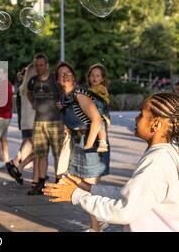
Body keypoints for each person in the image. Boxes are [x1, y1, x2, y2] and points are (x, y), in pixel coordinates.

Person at [43, 92, 179, 232]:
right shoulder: (166, 153)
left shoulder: (157, 161)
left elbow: (124, 211)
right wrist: (88, 187)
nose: (136, 118)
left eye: (141, 114)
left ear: (156, 124)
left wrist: (76, 195)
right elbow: (130, 195)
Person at [54, 62, 110, 232]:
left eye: (68, 73)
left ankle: (96, 227)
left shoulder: (79, 94)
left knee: (88, 189)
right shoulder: (65, 98)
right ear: (57, 80)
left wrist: (87, 145)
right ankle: (99, 221)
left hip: (90, 146)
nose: (65, 76)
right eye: (61, 74)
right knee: (83, 187)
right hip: (79, 144)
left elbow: (97, 120)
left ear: (74, 77)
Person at [26, 54, 64, 195]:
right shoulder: (33, 80)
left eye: (41, 65)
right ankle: (40, 183)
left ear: (47, 65)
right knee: (40, 154)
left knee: (58, 154)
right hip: (39, 122)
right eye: (36, 65)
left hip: (55, 122)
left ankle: (59, 181)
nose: (39, 68)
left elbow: (65, 93)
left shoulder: (55, 79)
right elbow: (29, 93)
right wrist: (33, 103)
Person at [6, 64, 36, 185]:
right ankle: (19, 167)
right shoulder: (33, 87)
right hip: (34, 121)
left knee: (29, 146)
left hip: (25, 122)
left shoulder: (22, 88)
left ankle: (16, 163)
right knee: (39, 149)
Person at [87, 63, 111, 153]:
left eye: (97, 76)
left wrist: (102, 92)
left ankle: (103, 142)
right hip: (91, 112)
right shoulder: (89, 90)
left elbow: (104, 95)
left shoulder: (101, 88)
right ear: (89, 78)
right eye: (92, 75)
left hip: (101, 112)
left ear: (102, 79)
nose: (94, 78)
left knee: (101, 124)